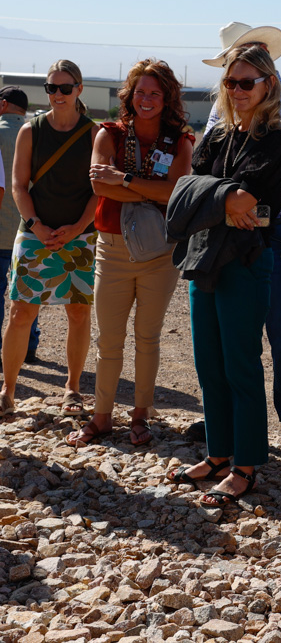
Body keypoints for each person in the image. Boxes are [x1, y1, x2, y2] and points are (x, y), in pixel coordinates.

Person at [165, 45, 281, 506]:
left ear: (268, 85)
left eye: (246, 82)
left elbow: (248, 201)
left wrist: (211, 199)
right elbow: (185, 189)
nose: (237, 90)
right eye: (230, 82)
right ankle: (218, 455)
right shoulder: (218, 136)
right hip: (205, 257)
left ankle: (246, 465)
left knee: (240, 364)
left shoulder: (275, 140)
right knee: (208, 364)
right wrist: (224, 200)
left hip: (245, 261)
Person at [196, 22, 281, 457]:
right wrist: (226, 195)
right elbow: (207, 160)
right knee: (227, 332)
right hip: (229, 225)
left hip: (275, 226)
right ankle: (228, 420)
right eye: (231, 73)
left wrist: (219, 193)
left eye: (245, 72)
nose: (236, 84)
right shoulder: (228, 102)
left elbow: (264, 160)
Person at [64, 60, 194, 447]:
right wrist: (150, 189)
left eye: (155, 93)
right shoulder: (109, 134)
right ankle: (102, 417)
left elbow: (176, 192)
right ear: (129, 95)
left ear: (167, 98)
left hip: (161, 253)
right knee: (109, 338)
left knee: (148, 337)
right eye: (140, 92)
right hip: (112, 249)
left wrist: (124, 179)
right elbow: (99, 187)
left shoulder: (181, 141)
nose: (146, 99)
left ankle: (140, 416)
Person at [0, 61, 99, 416]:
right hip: (34, 233)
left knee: (78, 312)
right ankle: (8, 391)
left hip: (80, 236)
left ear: (79, 89)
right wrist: (36, 225)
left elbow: (99, 190)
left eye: (65, 88)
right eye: (51, 88)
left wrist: (78, 227)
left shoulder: (94, 134)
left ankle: (72, 388)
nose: (58, 94)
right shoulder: (31, 131)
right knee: (20, 312)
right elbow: (18, 185)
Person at [0, 87, 41, 364]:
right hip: (30, 229)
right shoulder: (36, 135)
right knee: (27, 294)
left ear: (3, 104)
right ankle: (28, 347)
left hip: (0, 231)